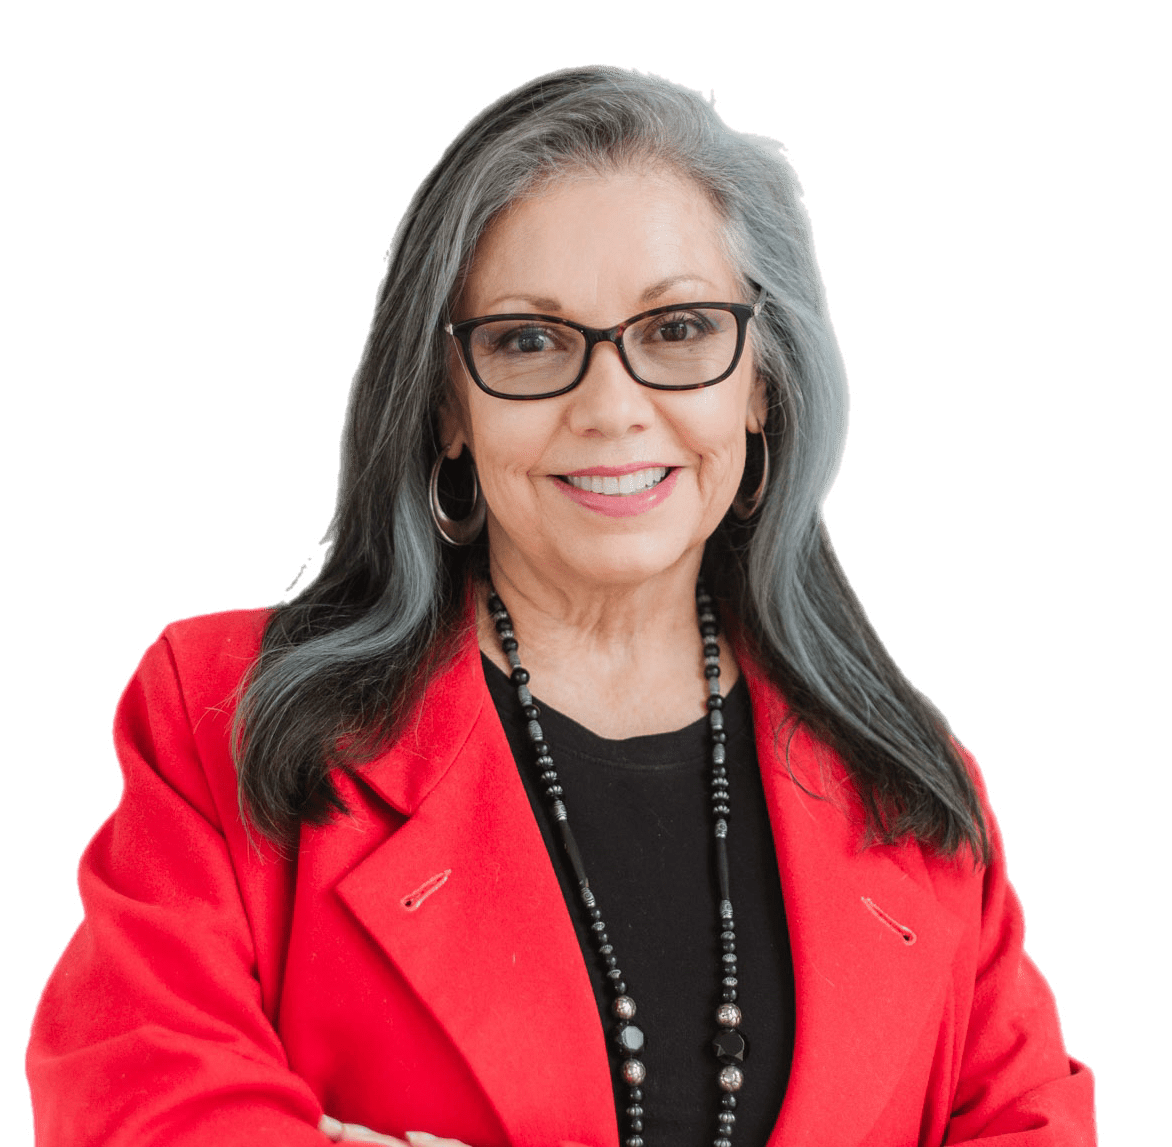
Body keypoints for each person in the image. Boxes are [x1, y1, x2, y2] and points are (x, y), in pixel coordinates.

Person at [26, 66, 1097, 1147]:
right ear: (447, 406)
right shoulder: (223, 715)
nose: (611, 408)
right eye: (528, 341)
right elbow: (139, 1102)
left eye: (678, 328)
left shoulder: (916, 788)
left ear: (761, 383)